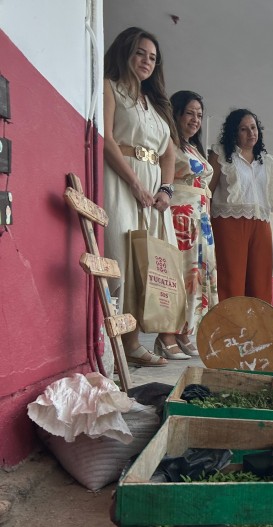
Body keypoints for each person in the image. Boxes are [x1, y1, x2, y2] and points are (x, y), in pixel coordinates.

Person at [102, 26, 178, 367]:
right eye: (140, 54)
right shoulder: (110, 88)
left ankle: (132, 343)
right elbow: (106, 139)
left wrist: (165, 189)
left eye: (152, 57)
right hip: (122, 180)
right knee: (121, 259)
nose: (147, 62)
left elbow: (169, 153)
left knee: (147, 265)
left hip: (153, 193)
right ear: (125, 53)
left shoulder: (155, 104)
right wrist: (135, 183)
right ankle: (117, 344)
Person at [208, 109, 273, 303]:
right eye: (244, 129)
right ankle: (229, 329)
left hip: (261, 224)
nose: (251, 133)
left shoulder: (268, 161)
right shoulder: (220, 155)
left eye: (254, 127)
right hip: (228, 223)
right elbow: (207, 192)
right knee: (231, 280)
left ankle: (257, 330)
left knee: (261, 281)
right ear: (234, 132)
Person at [168, 90, 218, 357]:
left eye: (199, 115)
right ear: (175, 113)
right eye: (189, 112)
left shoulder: (192, 148)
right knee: (184, 275)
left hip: (201, 219)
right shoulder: (170, 142)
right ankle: (173, 333)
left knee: (200, 276)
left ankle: (190, 332)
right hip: (181, 216)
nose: (195, 119)